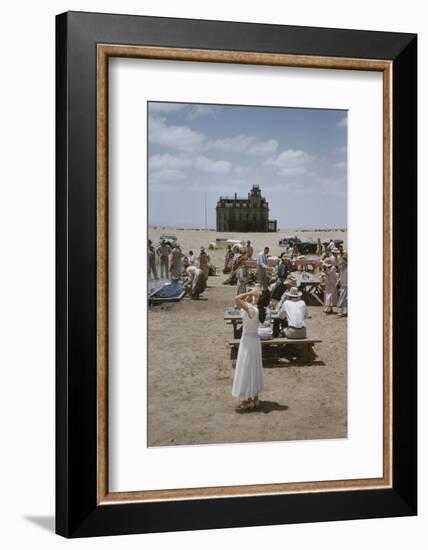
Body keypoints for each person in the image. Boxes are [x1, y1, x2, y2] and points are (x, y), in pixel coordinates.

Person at [232, 288, 270, 412]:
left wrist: (250, 293)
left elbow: (237, 299)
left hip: (247, 341)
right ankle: (255, 398)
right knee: (254, 368)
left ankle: (249, 400)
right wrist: (252, 295)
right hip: (255, 340)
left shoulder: (251, 309)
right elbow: (245, 303)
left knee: (247, 368)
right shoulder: (260, 310)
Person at [337, 253, 348, 317]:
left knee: (346, 300)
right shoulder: (342, 268)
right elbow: (340, 276)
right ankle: (341, 311)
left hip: (347, 285)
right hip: (343, 285)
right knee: (342, 299)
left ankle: (345, 312)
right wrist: (339, 280)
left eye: (342, 262)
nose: (341, 263)